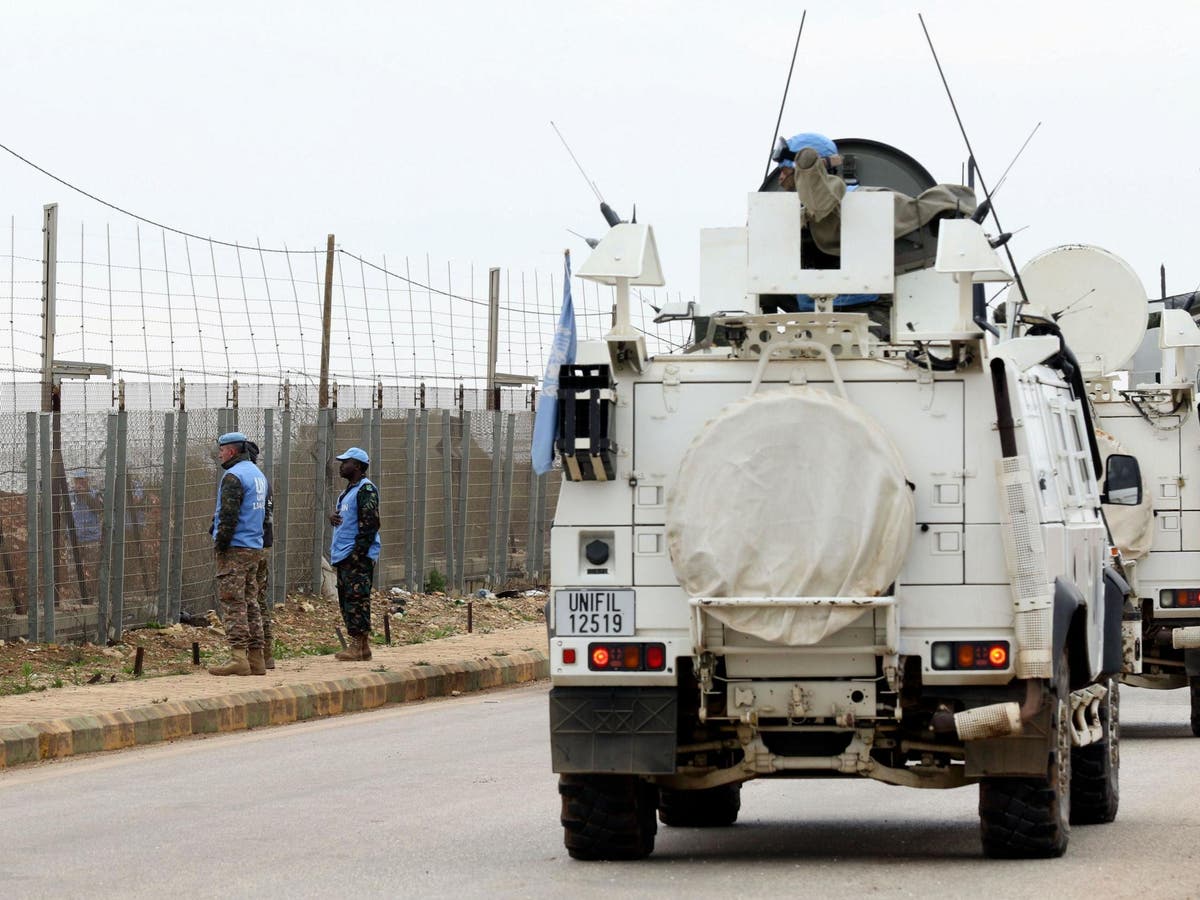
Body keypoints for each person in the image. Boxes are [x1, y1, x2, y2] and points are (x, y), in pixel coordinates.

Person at [208, 431, 268, 676]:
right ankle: (257, 658)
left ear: (231, 451)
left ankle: (238, 657)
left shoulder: (233, 476)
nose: (220, 454)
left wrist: (220, 544)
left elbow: (229, 517)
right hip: (254, 546)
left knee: (233, 602)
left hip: (235, 547)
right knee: (251, 601)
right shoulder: (257, 474)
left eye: (221, 450)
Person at [329, 447, 381, 662]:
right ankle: (361, 647)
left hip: (356, 556)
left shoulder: (365, 490)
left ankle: (358, 645)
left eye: (346, 462)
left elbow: (371, 523)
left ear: (357, 466)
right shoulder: (347, 492)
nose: (341, 466)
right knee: (347, 599)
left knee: (357, 600)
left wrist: (358, 554)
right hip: (344, 555)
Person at [245, 440, 276, 670]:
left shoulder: (248, 480)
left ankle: (255, 652)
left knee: (249, 598)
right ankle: (267, 653)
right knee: (260, 599)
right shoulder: (262, 480)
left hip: (251, 544)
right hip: (264, 543)